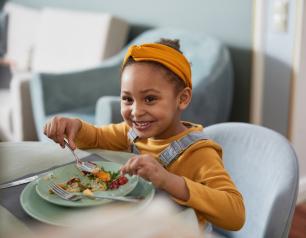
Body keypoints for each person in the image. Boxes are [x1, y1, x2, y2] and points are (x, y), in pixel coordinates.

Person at [44, 38, 245, 230]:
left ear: (182, 99)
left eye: (149, 99)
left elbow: (236, 214)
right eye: (128, 99)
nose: (136, 111)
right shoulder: (132, 133)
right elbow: (96, 137)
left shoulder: (199, 153)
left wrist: (167, 180)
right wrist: (75, 126)